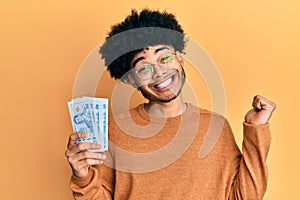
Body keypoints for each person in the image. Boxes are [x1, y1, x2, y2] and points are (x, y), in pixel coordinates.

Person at [65, 9, 276, 199]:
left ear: (180, 60)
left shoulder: (215, 127)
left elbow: (244, 197)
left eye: (164, 58)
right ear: (131, 80)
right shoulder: (114, 131)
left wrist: (255, 131)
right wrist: (82, 177)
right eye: (144, 69)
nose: (159, 73)